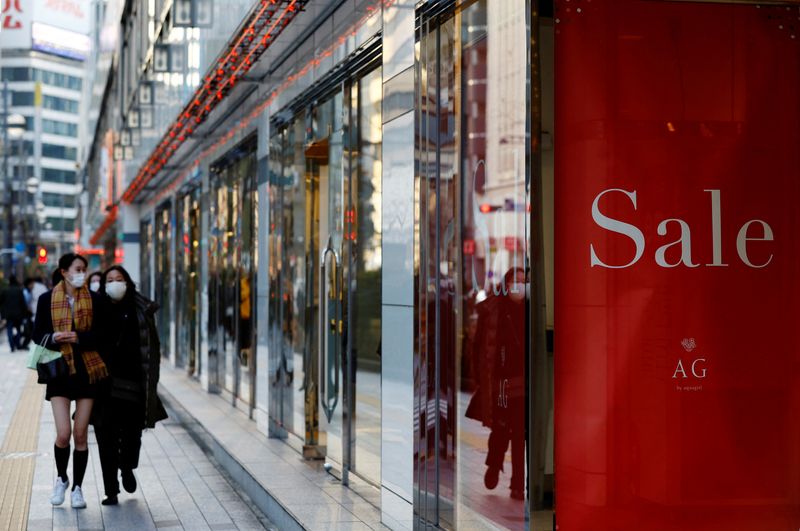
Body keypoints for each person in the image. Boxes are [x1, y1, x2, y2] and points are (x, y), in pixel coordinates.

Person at [32, 253, 109, 509]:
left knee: (80, 434)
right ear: (63, 271)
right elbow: (37, 334)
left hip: (88, 373)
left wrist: (79, 338)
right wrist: (55, 337)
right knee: (63, 434)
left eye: (84, 269)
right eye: (77, 269)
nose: (82, 273)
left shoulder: (95, 300)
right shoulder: (46, 300)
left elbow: (102, 335)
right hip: (60, 373)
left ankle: (77, 488)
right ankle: (62, 478)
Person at [93, 265, 167, 506]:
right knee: (106, 437)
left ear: (128, 282)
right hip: (103, 384)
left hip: (134, 384)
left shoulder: (141, 310)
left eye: (119, 279)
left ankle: (126, 466)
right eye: (110, 280)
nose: (115, 283)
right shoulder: (97, 309)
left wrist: (151, 378)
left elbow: (152, 346)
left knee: (132, 434)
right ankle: (110, 489)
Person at [0, 277, 29, 351]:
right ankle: (18, 344)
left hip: (8, 315)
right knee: (18, 329)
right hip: (18, 314)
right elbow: (23, 303)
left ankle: (12, 346)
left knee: (9, 330)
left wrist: (3, 314)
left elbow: (1, 303)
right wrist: (25, 313)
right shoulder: (19, 290)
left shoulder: (5, 291)